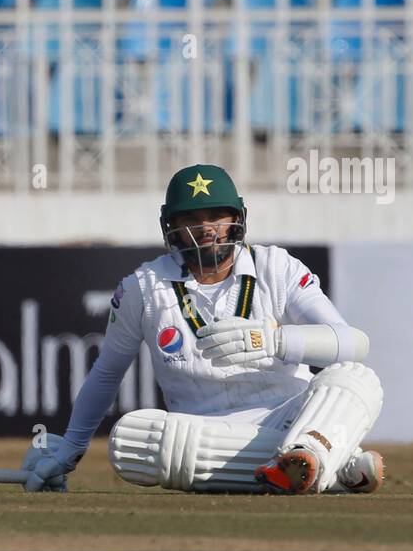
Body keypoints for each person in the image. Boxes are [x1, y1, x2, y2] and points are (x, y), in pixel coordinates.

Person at [21, 164, 386, 495]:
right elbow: (107, 372)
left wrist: (272, 340)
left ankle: (305, 456)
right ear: (172, 227)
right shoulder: (143, 287)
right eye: (192, 219)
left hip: (291, 414)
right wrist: (69, 450)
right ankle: (330, 465)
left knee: (356, 377)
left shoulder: (277, 267)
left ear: (237, 218)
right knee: (130, 442)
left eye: (216, 216)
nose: (207, 228)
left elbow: (351, 343)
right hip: (203, 434)